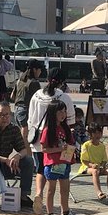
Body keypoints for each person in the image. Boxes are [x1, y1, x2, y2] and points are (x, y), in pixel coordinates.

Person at [26, 71, 75, 204]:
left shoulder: (36, 96)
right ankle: (61, 206)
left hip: (38, 139)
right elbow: (70, 120)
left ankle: (39, 193)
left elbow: (30, 119)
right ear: (62, 82)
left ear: (47, 79)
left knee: (41, 169)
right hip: (59, 142)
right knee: (60, 174)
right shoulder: (63, 97)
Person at [0, 102, 35, 210]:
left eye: (7, 114)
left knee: (28, 161)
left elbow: (23, 150)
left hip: (6, 166)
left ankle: (23, 195)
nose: (5, 118)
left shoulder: (13, 129)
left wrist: (17, 156)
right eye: (1, 115)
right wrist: (5, 160)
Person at [38, 101, 74, 215]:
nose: (63, 114)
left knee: (64, 189)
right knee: (50, 189)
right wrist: (59, 149)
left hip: (65, 163)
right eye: (60, 112)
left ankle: (66, 212)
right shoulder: (48, 129)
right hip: (52, 163)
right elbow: (43, 149)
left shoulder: (66, 128)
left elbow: (70, 143)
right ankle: (50, 214)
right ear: (53, 113)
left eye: (64, 111)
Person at [79, 124, 108, 200]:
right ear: (90, 134)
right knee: (95, 171)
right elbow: (84, 160)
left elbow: (104, 160)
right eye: (95, 133)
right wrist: (91, 165)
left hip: (99, 167)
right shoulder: (86, 145)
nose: (98, 135)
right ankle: (99, 192)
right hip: (86, 168)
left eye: (99, 133)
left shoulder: (102, 146)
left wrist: (103, 166)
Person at [12, 60, 43, 128]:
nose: (40, 72)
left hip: (16, 110)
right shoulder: (34, 83)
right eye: (40, 69)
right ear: (35, 69)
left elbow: (12, 96)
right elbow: (39, 100)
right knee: (25, 136)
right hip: (26, 111)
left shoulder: (20, 80)